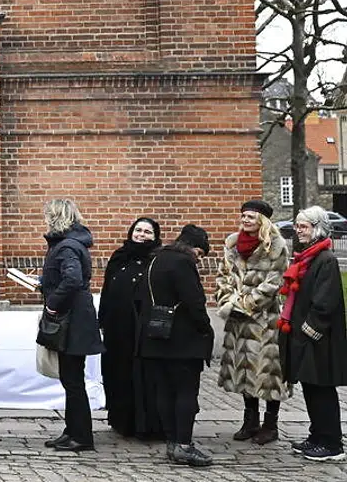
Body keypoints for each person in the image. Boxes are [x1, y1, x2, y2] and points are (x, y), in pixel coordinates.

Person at [216, 198, 290, 444]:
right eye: (243, 216)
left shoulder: (276, 245)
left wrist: (246, 303)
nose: (245, 220)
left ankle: (270, 424)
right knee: (244, 370)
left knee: (269, 373)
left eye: (251, 216)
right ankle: (250, 420)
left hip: (265, 319)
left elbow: (274, 282)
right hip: (238, 321)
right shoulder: (232, 243)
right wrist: (228, 299)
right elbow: (223, 276)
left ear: (262, 220)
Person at [139, 225, 214, 467]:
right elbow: (194, 302)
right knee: (185, 392)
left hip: (155, 335)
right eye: (200, 254)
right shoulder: (183, 263)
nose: (199, 259)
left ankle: (172, 442)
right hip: (182, 340)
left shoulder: (155, 259)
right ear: (193, 247)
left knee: (164, 392)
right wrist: (206, 329)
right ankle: (184, 444)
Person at [279, 205, 347, 462]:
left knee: (321, 389)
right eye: (297, 226)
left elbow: (325, 303)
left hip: (320, 339)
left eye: (304, 226)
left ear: (317, 229)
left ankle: (331, 443)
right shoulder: (308, 257)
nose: (298, 230)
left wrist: (308, 331)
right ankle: (317, 435)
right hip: (306, 336)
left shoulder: (325, 260)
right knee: (310, 387)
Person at [39, 197, 103, 452]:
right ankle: (73, 430)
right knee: (70, 378)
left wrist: (52, 303)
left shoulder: (66, 246)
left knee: (73, 380)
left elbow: (73, 279)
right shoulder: (71, 243)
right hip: (76, 317)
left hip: (73, 320)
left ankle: (81, 436)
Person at [99, 216, 163, 439]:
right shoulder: (119, 257)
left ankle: (143, 424)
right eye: (138, 230)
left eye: (147, 232)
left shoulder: (156, 260)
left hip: (141, 329)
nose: (141, 235)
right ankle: (120, 420)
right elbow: (107, 289)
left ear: (155, 237)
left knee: (141, 376)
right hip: (117, 328)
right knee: (118, 373)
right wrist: (102, 319)